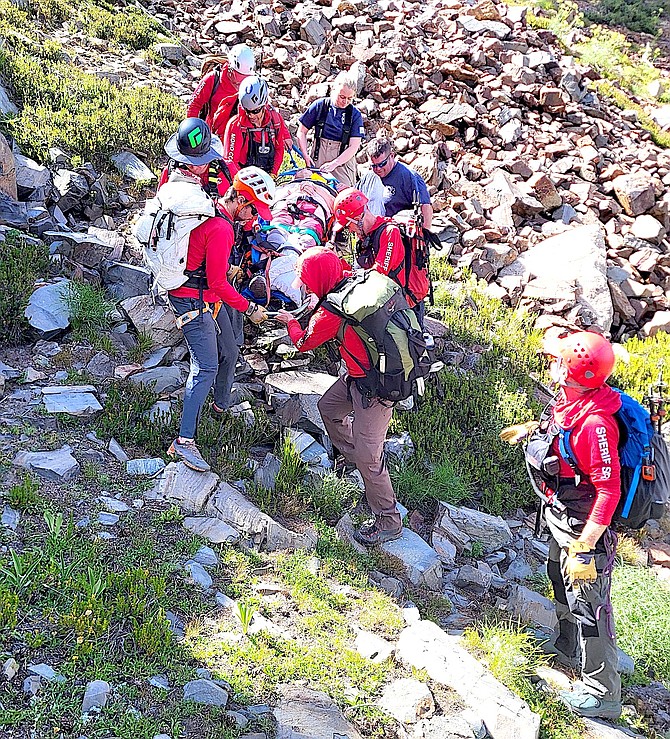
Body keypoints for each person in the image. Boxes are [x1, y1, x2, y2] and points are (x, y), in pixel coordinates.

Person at [500, 331, 622, 720]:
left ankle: (603, 693)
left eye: (558, 360)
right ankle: (566, 646)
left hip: (582, 526)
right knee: (557, 575)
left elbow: (609, 491)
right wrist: (531, 434)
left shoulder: (596, 424)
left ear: (572, 369)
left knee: (591, 605)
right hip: (561, 513)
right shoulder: (569, 400)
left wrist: (585, 547)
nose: (550, 363)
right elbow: (560, 435)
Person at [162, 121, 273, 472]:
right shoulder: (222, 227)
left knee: (231, 348)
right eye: (253, 209)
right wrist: (251, 307)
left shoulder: (215, 212)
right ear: (239, 200)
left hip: (204, 293)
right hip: (191, 297)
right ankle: (184, 442)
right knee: (206, 365)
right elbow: (220, 285)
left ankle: (220, 406)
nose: (254, 218)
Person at [274, 246, 403, 546]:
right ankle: (353, 460)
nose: (305, 287)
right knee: (328, 407)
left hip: (378, 388)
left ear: (319, 278)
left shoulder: (334, 310)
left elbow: (304, 342)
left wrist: (290, 323)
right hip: (360, 377)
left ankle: (388, 520)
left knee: (371, 456)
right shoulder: (352, 281)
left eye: (307, 281)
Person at [332, 187, 430, 324]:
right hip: (387, 301)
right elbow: (361, 272)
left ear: (358, 218)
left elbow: (376, 276)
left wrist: (345, 273)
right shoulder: (366, 238)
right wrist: (338, 262)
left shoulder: (390, 233)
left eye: (348, 226)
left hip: (404, 304)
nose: (350, 231)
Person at [296, 71, 365, 187]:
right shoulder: (320, 106)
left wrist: (335, 163)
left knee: (344, 197)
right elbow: (302, 131)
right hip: (319, 156)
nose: (345, 102)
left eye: (349, 98)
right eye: (342, 97)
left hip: (342, 161)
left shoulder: (355, 114)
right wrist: (305, 156)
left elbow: (354, 146)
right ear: (333, 89)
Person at [223, 75, 292, 179]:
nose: (251, 115)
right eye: (247, 111)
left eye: (255, 111)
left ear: (264, 105)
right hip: (242, 176)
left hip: (267, 174)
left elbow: (279, 148)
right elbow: (231, 162)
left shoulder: (275, 120)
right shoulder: (236, 125)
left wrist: (273, 174)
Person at [360, 138, 433, 228]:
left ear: (392, 156)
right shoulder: (368, 178)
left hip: (397, 234)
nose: (378, 169)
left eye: (382, 164)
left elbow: (425, 207)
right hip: (373, 233)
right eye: (373, 165)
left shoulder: (409, 176)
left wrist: (425, 235)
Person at [187, 44, 256, 137]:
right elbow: (194, 105)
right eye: (238, 76)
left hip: (237, 142)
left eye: (244, 77)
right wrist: (194, 133)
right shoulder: (212, 79)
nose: (240, 82)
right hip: (211, 138)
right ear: (230, 68)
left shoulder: (252, 86)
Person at [158, 118, 234, 197]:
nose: (194, 167)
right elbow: (159, 203)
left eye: (201, 161)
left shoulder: (227, 169)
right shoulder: (170, 172)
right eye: (188, 161)